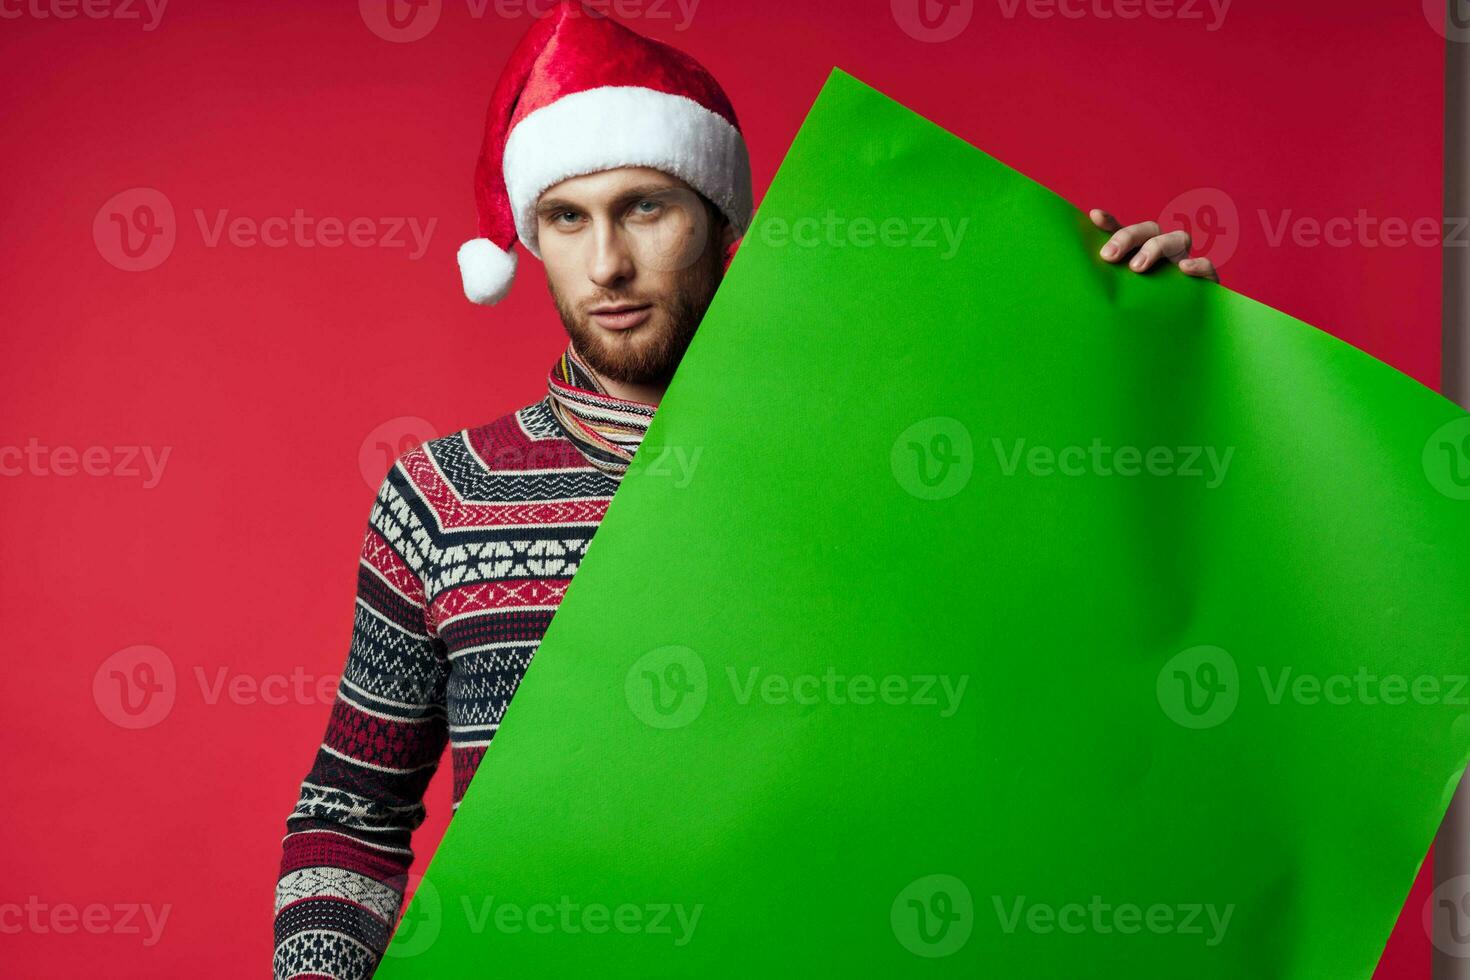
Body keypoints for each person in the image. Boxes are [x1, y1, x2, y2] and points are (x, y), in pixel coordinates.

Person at [271, 2, 1219, 976]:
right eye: (567, 217)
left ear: (722, 220)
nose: (607, 264)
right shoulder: (441, 494)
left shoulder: (866, 462)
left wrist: (1158, 350)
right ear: (531, 235)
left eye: (646, 206)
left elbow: (1075, 674)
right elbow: (352, 812)